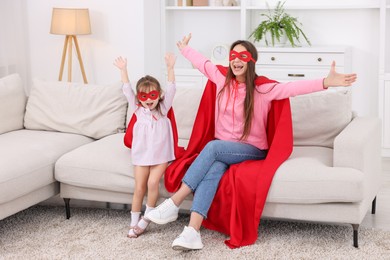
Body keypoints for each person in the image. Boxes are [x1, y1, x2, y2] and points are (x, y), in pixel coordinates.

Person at [147, 33, 357, 250]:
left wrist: (326, 82)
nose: (236, 60)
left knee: (213, 148)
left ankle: (174, 202)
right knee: (213, 171)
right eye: (233, 55)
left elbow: (294, 88)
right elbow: (203, 63)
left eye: (242, 56)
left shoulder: (263, 89)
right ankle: (192, 231)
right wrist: (184, 49)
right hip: (223, 150)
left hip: (252, 149)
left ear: (251, 61)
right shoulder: (221, 80)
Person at [114, 53, 177, 238]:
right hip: (142, 155)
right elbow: (126, 89)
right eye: (144, 96)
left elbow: (172, 88)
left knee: (152, 182)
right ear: (139, 98)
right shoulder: (137, 110)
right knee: (139, 186)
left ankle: (147, 218)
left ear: (159, 95)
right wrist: (123, 70)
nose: (148, 99)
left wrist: (170, 68)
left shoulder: (163, 109)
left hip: (161, 155)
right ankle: (134, 220)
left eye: (153, 95)